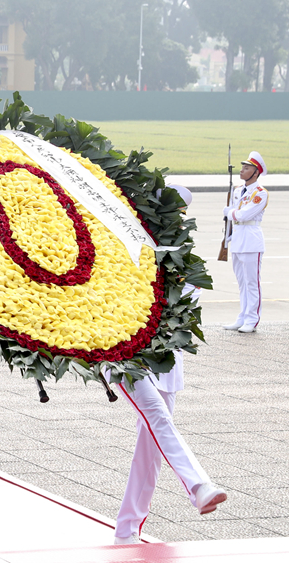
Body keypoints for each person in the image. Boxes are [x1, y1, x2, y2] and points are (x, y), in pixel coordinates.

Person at [112, 185, 227, 545]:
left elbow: (182, 311)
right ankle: (199, 486)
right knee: (158, 418)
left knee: (150, 450)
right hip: (127, 356)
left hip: (166, 362)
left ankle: (127, 530)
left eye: (176, 217)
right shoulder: (125, 247)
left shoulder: (186, 262)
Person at [223, 151, 268, 333]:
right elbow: (235, 217)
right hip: (237, 239)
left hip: (251, 240)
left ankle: (252, 319)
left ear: (256, 173)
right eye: (242, 167)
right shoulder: (237, 191)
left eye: (247, 168)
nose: (242, 170)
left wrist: (229, 212)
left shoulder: (260, 194)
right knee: (242, 283)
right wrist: (227, 237)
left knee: (252, 283)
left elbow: (243, 215)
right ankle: (242, 317)